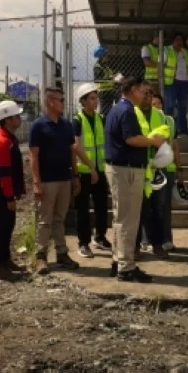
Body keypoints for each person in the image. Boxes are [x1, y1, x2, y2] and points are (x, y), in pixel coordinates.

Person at [104, 77, 166, 283]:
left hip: (120, 169)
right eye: (143, 90)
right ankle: (126, 266)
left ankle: (118, 260)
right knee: (128, 220)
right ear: (132, 90)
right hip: (126, 170)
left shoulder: (117, 109)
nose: (145, 95)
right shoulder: (127, 110)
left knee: (121, 218)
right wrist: (153, 141)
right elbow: (131, 139)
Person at [28, 87, 83, 275]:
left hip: (64, 179)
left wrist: (75, 177)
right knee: (45, 220)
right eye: (60, 100)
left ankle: (61, 253)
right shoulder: (38, 126)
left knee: (60, 219)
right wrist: (36, 182)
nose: (63, 103)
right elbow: (33, 156)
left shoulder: (66, 125)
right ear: (50, 102)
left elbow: (71, 152)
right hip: (47, 181)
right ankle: (41, 256)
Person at [0, 100, 28, 281]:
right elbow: (4, 173)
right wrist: (9, 196)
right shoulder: (3, 141)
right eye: (17, 116)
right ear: (7, 119)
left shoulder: (8, 138)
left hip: (4, 193)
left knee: (7, 227)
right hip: (1, 193)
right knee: (1, 229)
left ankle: (5, 260)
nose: (20, 119)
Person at [139, 93, 182, 255]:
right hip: (145, 167)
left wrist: (179, 168)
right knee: (146, 206)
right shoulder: (138, 115)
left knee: (161, 207)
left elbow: (174, 144)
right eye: (152, 102)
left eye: (158, 103)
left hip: (162, 168)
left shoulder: (167, 120)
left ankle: (162, 241)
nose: (155, 105)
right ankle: (145, 240)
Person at [72, 83, 111, 259]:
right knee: (82, 209)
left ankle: (100, 237)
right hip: (84, 171)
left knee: (102, 205)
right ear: (83, 101)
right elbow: (76, 146)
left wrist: (100, 168)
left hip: (100, 170)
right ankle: (83, 243)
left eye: (97, 98)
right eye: (92, 98)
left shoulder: (100, 118)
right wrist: (91, 167)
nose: (96, 101)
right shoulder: (77, 120)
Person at [160, 33, 188, 135]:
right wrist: (160, 80)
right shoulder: (166, 50)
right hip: (171, 82)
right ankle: (169, 129)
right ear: (173, 41)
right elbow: (159, 65)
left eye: (181, 40)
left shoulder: (184, 51)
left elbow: (187, 66)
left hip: (184, 82)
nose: (180, 42)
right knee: (169, 106)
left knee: (183, 106)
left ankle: (181, 129)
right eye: (177, 40)